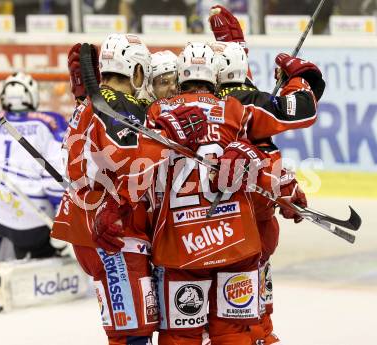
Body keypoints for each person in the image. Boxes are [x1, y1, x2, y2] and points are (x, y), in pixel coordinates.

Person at [146, 41, 320, 345]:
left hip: (183, 244)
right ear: (216, 77)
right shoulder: (234, 108)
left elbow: (141, 170)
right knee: (235, 332)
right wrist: (286, 188)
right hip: (234, 239)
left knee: (180, 335)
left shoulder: (157, 112)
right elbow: (274, 141)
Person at [51, 33, 208, 345]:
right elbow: (131, 161)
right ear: (137, 72)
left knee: (128, 329)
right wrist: (172, 134)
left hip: (84, 225)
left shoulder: (89, 105)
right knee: (132, 334)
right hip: (114, 230)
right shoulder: (123, 106)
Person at [209, 6, 325, 344]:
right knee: (244, 317)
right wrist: (300, 77)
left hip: (206, 224)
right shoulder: (246, 102)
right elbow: (300, 111)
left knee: (228, 310)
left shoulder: (198, 102)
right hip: (245, 220)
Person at [0, 71, 68, 311]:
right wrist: (63, 222)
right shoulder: (50, 122)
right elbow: (56, 175)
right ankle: (36, 265)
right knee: (44, 247)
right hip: (32, 221)